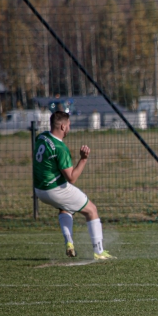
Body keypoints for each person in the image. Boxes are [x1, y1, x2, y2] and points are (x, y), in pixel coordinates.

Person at [33, 110, 114, 260]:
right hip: (54, 189)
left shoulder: (41, 137)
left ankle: (69, 243)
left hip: (39, 189)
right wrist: (83, 159)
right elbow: (72, 178)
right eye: (69, 125)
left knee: (65, 207)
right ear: (63, 127)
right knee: (91, 210)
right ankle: (99, 252)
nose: (69, 128)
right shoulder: (61, 148)